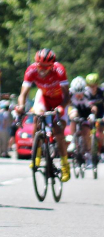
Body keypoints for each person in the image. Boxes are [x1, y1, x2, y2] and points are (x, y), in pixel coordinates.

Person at [15, 48, 70, 182]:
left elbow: (67, 95)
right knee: (37, 119)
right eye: (40, 66)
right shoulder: (31, 70)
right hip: (44, 97)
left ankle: (64, 165)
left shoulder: (59, 70)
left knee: (58, 132)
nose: (43, 69)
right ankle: (37, 155)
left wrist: (61, 107)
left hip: (59, 99)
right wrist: (21, 106)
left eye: (46, 67)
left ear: (52, 65)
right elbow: (23, 94)